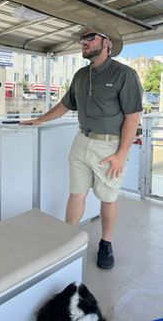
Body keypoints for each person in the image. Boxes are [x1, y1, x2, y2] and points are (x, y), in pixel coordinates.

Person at [21, 22, 143, 269]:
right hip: (81, 141)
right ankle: (69, 241)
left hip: (109, 147)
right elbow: (66, 104)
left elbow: (133, 117)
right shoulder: (80, 75)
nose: (83, 42)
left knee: (108, 198)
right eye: (81, 39)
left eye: (89, 37)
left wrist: (121, 155)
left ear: (106, 42)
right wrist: (41, 119)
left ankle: (106, 243)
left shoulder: (124, 75)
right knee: (76, 193)